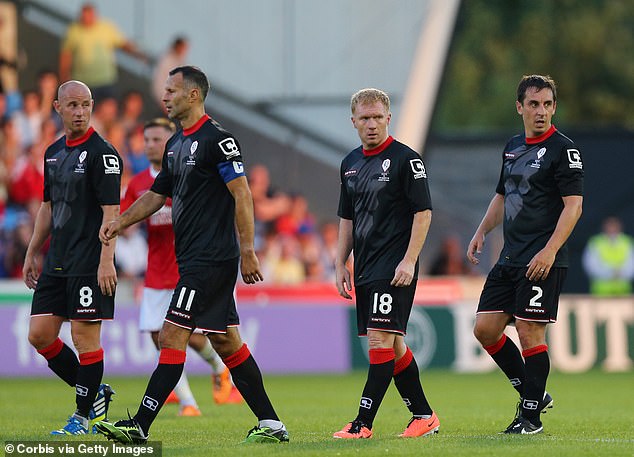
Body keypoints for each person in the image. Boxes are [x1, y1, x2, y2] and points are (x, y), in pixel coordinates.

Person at [95, 66, 288, 444]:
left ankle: (139, 426)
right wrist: (120, 221)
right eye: (164, 91)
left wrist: (248, 250)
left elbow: (243, 193)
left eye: (171, 91)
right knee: (227, 342)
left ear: (194, 95)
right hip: (195, 259)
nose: (164, 97)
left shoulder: (219, 140)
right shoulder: (176, 144)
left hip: (211, 259)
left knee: (171, 335)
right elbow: (154, 195)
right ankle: (271, 423)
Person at [467, 75, 584, 434]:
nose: (541, 112)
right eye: (533, 104)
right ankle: (535, 391)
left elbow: (574, 206)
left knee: (531, 334)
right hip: (510, 257)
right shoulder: (513, 146)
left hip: (542, 259)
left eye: (547, 104)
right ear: (520, 107)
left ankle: (530, 418)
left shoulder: (565, 150)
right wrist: (482, 230)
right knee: (485, 330)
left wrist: (549, 251)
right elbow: (503, 196)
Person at [333, 88, 438, 439]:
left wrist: (409, 260)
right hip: (364, 266)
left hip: (395, 266)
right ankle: (424, 416)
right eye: (365, 118)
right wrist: (338, 263)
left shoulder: (407, 160)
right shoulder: (349, 164)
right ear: (354, 122)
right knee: (393, 346)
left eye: (378, 117)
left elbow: (423, 213)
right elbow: (346, 219)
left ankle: (362, 424)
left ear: (388, 118)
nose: (372, 124)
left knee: (379, 342)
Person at [121, 117, 242, 416]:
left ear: (171, 142)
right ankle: (188, 402)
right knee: (157, 335)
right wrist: (117, 225)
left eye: (157, 140)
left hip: (188, 267)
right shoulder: (137, 184)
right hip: (155, 270)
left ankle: (217, 367)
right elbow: (131, 217)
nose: (151, 145)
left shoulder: (188, 173)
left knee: (194, 335)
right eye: (147, 140)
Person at [22, 80, 122, 435]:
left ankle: (82, 417)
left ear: (91, 106)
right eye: (72, 105)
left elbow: (113, 212)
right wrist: (33, 251)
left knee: (84, 339)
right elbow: (48, 208)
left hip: (89, 262)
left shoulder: (103, 154)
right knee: (39, 335)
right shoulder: (53, 153)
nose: (79, 112)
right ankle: (95, 390)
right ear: (57, 108)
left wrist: (107, 260)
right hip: (57, 262)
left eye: (85, 105)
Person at [58, 3, 146, 102]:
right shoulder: (74, 30)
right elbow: (66, 56)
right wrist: (64, 79)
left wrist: (137, 54)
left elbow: (122, 44)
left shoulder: (106, 28)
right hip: (84, 82)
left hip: (106, 80)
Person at [582, 216, 634, 296]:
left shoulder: (627, 242)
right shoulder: (595, 242)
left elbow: (631, 265)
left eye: (614, 226)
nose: (612, 229)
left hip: (624, 292)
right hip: (600, 292)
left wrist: (621, 273)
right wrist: (611, 272)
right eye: (610, 226)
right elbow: (591, 266)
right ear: (604, 227)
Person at [152, 36, 189, 113]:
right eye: (183, 48)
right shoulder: (166, 60)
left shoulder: (181, 63)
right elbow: (159, 82)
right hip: (162, 105)